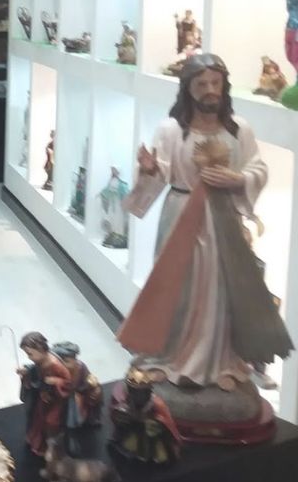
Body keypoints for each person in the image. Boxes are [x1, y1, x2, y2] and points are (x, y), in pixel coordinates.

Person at [119, 54, 291, 390]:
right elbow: (160, 174)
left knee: (219, 290)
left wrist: (238, 179)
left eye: (216, 83)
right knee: (177, 287)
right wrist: (150, 170)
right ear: (188, 89)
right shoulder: (171, 130)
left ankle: (219, 362)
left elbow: (257, 168)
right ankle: (168, 356)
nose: (210, 90)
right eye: (201, 84)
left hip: (223, 218)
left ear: (224, 87)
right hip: (181, 215)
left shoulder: (239, 129)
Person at [17, 332, 71, 456]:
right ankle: (37, 443)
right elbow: (35, 371)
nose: (29, 357)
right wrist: (26, 371)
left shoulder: (55, 364)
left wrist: (56, 381)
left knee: (51, 422)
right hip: (44, 398)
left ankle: (52, 447)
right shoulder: (40, 362)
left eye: (30, 354)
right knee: (38, 418)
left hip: (56, 401)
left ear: (40, 349)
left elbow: (68, 383)